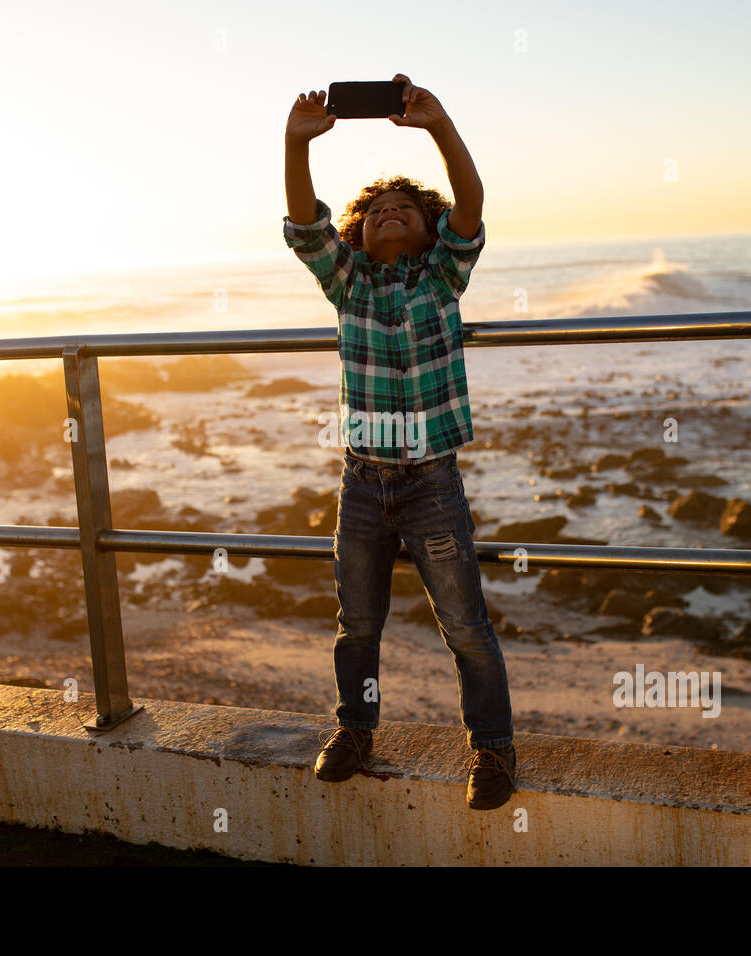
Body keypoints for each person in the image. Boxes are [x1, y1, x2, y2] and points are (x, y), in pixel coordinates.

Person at [282, 74, 516, 810]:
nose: (388, 212)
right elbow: (304, 223)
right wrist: (296, 144)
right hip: (361, 483)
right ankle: (356, 728)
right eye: (376, 209)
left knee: (465, 626)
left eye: (404, 208)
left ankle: (492, 748)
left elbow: (472, 206)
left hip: (431, 484)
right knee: (357, 624)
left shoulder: (443, 276)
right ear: (359, 231)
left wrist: (440, 127)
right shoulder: (346, 283)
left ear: (427, 227)